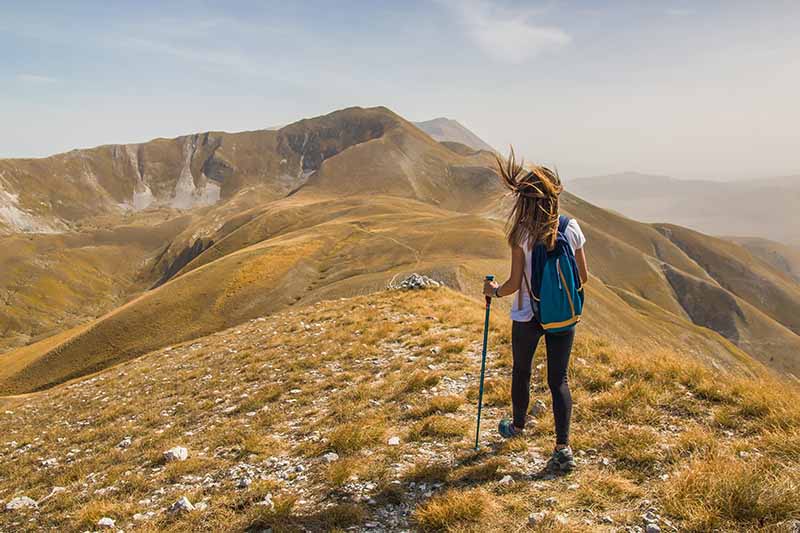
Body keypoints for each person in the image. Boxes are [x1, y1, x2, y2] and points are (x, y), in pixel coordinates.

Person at [483, 149, 589, 473]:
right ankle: (562, 448)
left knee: (522, 371)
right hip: (561, 315)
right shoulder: (570, 228)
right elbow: (583, 276)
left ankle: (516, 427)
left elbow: (515, 282)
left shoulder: (521, 234)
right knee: (559, 380)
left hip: (527, 315)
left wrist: (494, 292)